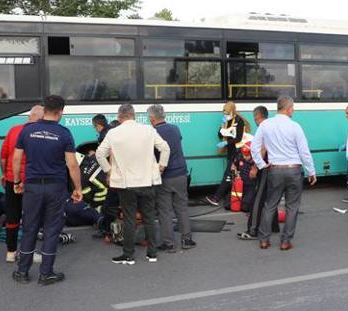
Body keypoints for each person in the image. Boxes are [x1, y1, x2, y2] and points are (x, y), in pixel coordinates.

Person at [11, 95, 82, 285]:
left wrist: (17, 182)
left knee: (29, 228)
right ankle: (46, 273)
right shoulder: (64, 133)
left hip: (32, 187)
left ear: (44, 109)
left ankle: (22, 272)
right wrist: (78, 188)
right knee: (52, 229)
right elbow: (72, 165)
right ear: (61, 112)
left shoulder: (27, 130)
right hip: (55, 187)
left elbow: (16, 159)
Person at [96, 103, 170, 265]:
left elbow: (100, 154)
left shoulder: (113, 133)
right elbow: (165, 148)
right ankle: (152, 253)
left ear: (119, 117)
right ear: (134, 115)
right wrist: (161, 167)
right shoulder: (148, 130)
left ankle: (128, 255)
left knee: (129, 219)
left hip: (126, 184)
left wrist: (109, 171)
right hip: (148, 181)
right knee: (149, 217)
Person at [251, 96, 316, 251]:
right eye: (292, 107)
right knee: (292, 207)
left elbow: (254, 147)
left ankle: (264, 240)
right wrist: (311, 171)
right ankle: (285, 241)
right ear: (288, 108)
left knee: (270, 205)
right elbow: (304, 152)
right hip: (294, 170)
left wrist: (262, 164)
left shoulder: (265, 125)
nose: (293, 110)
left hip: (274, 170)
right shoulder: (295, 126)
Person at [147, 104, 196, 252]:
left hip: (165, 176)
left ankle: (168, 243)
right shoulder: (175, 128)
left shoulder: (152, 132)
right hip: (181, 173)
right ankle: (187, 239)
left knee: (165, 210)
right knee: (182, 207)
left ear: (152, 117)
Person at [0, 105, 44, 262]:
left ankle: (11, 252)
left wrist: (5, 174)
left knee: (12, 216)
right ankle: (28, 252)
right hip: (31, 182)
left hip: (13, 180)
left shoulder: (13, 130)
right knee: (31, 218)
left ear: (29, 117)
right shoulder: (41, 133)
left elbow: (3, 156)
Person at [239, 105, 280, 240]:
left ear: (257, 117)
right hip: (276, 167)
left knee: (258, 199)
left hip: (265, 168)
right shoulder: (274, 127)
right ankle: (274, 226)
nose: (255, 121)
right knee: (271, 198)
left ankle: (253, 229)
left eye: (254, 118)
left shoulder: (263, 128)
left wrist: (255, 167)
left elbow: (262, 149)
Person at [205, 101, 250, 206]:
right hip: (231, 152)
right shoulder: (227, 121)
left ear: (231, 111)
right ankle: (235, 198)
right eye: (223, 113)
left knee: (228, 175)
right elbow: (220, 135)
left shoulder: (239, 121)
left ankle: (216, 198)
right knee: (234, 176)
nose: (224, 115)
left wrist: (226, 142)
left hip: (237, 152)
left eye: (226, 112)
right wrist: (222, 127)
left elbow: (238, 138)